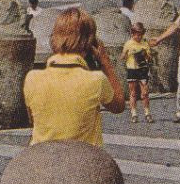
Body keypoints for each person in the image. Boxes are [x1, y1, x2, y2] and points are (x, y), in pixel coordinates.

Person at [23, 8, 125, 146]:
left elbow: (34, 121)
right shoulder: (96, 80)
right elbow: (119, 106)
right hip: (83, 159)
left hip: (43, 158)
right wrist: (105, 62)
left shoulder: (32, 78)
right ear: (90, 43)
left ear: (54, 39)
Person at [120, 21, 155, 123]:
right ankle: (134, 113)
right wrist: (127, 53)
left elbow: (150, 58)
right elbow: (122, 57)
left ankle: (147, 113)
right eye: (136, 35)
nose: (138, 37)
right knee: (133, 93)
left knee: (145, 93)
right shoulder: (128, 43)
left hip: (142, 69)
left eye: (140, 35)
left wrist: (145, 55)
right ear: (132, 34)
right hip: (132, 69)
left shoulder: (145, 43)